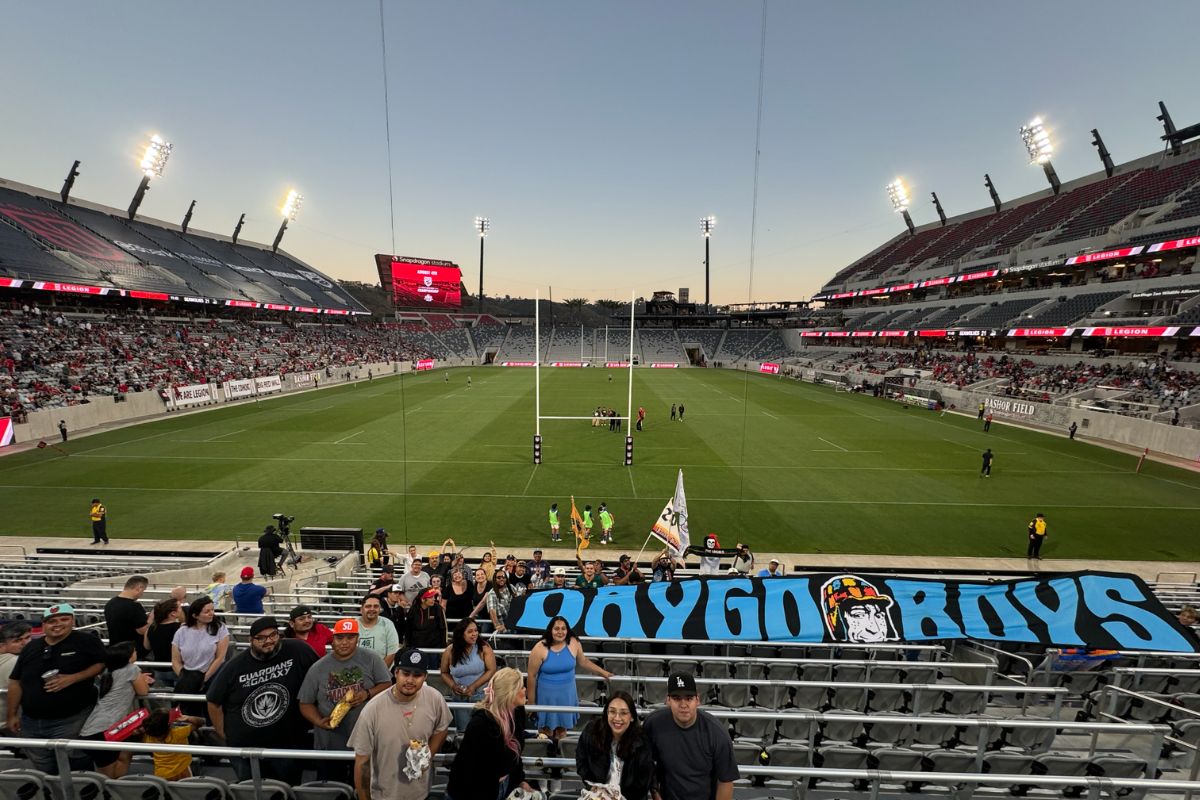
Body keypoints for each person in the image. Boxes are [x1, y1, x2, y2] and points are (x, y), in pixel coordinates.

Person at [206, 616, 319, 783]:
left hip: (287, 743)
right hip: (245, 746)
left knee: (287, 789)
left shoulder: (298, 649)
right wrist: (224, 733)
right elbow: (213, 701)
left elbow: (318, 675)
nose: (269, 641)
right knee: (250, 790)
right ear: (251, 640)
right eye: (261, 638)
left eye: (273, 635)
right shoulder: (235, 666)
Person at [6, 603, 106, 773]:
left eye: (64, 619)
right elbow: (15, 681)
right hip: (31, 722)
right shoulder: (31, 647)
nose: (57, 623)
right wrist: (12, 715)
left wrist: (73, 678)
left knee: (76, 765)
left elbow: (101, 664)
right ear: (44, 625)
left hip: (71, 720)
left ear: (73, 621)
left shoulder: (87, 641)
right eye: (51, 620)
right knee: (44, 767)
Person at [350, 647, 451, 800]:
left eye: (417, 675)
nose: (410, 680)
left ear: (425, 677)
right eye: (405, 674)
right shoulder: (373, 709)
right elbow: (362, 763)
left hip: (420, 793)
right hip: (384, 795)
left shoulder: (434, 698)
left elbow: (442, 728)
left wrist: (429, 754)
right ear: (396, 673)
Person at [299, 618, 392, 783]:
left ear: (357, 638)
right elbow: (305, 703)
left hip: (365, 741)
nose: (344, 642)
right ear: (333, 639)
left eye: (350, 637)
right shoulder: (318, 667)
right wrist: (319, 721)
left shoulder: (371, 659)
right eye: (340, 638)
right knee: (334, 789)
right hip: (330, 744)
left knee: (364, 788)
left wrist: (368, 693)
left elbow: (387, 683)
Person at [643, 672, 738, 800]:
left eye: (689, 698)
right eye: (676, 698)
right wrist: (655, 793)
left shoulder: (716, 733)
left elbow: (726, 781)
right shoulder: (653, 724)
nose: (683, 705)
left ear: (697, 700)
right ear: (668, 700)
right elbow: (647, 764)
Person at [446, 667, 535, 800]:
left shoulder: (517, 712)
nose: (525, 690)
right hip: (473, 792)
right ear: (509, 693)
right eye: (521, 687)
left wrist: (519, 780)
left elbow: (515, 752)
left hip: (500, 785)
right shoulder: (480, 724)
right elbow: (471, 770)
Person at [527, 616, 613, 740]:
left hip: (566, 695)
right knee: (545, 733)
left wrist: (603, 672)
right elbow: (532, 676)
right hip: (546, 698)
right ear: (550, 630)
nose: (560, 632)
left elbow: (583, 662)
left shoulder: (574, 642)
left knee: (562, 732)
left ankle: (561, 754)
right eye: (556, 628)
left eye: (563, 628)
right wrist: (531, 702)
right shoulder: (539, 648)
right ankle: (546, 756)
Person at [79, 642, 151, 777]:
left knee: (124, 756)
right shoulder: (132, 669)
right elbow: (143, 691)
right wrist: (142, 680)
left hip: (96, 729)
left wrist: (140, 678)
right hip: (103, 732)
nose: (136, 652)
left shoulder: (109, 671)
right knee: (109, 778)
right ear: (128, 657)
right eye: (134, 651)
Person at [576, 690, 654, 800]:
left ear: (631, 717)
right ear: (607, 713)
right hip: (597, 795)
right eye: (612, 712)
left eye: (623, 713)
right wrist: (593, 787)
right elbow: (581, 760)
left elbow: (643, 782)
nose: (617, 718)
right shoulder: (592, 731)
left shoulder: (642, 740)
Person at [172, 596, 230, 714]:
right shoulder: (181, 631)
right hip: (188, 677)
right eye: (207, 611)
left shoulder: (220, 629)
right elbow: (175, 659)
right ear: (195, 615)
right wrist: (185, 678)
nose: (211, 614)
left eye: (212, 610)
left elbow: (220, 657)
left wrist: (204, 679)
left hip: (212, 677)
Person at [439, 618, 498, 733]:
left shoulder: (484, 647)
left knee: (483, 731)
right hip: (460, 696)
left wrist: (473, 686)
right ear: (461, 634)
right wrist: (453, 686)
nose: (474, 634)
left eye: (476, 630)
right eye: (470, 632)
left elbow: (491, 670)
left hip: (481, 696)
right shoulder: (450, 650)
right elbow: (444, 672)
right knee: (463, 731)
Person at [142, 709, 205, 781]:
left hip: (161, 774)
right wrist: (188, 718)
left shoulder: (148, 737)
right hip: (183, 772)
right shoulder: (178, 733)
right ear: (168, 725)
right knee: (187, 790)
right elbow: (201, 722)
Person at [105, 575, 150, 658]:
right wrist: (152, 618)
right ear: (139, 588)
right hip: (132, 652)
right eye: (143, 590)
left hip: (115, 649)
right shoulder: (134, 606)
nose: (142, 594)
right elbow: (142, 630)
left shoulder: (110, 603)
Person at [404, 588, 448, 665]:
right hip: (417, 646)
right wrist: (408, 645)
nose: (433, 599)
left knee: (433, 668)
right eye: (431, 597)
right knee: (418, 669)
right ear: (423, 599)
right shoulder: (413, 610)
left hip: (434, 646)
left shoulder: (438, 608)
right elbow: (408, 629)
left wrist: (443, 646)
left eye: (434, 597)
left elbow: (443, 628)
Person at [145, 598, 183, 687]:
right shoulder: (181, 628)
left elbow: (146, 646)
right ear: (173, 613)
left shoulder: (152, 628)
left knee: (164, 697)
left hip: (159, 668)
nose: (182, 609)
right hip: (177, 668)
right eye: (180, 607)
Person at [358, 595, 400, 667]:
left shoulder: (387, 624)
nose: (372, 609)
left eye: (376, 606)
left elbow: (392, 653)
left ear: (380, 609)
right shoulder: (353, 625)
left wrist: (379, 674)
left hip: (382, 673)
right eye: (368, 606)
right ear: (361, 609)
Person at [485, 571, 517, 636]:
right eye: (499, 577)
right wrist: (497, 626)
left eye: (503, 577)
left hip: (515, 622)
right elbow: (492, 611)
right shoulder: (492, 594)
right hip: (503, 626)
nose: (501, 579)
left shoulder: (511, 587)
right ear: (495, 579)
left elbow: (518, 603)